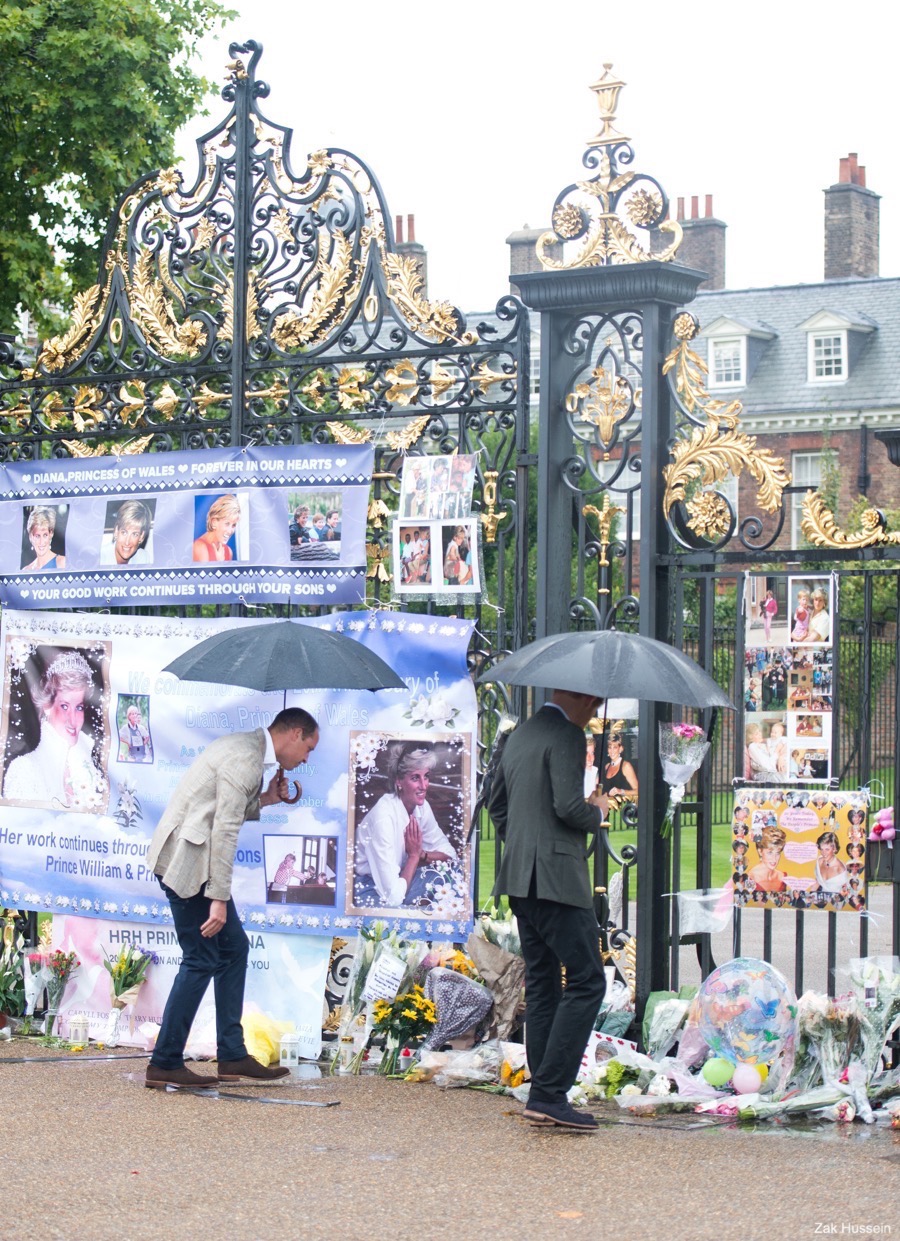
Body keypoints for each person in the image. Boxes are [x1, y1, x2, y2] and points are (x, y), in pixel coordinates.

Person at [144, 707, 319, 1089]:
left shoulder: (249, 751)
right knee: (201, 957)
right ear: (293, 733)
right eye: (308, 747)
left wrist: (269, 798)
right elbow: (224, 830)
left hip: (193, 859)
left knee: (234, 947)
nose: (306, 758)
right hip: (187, 866)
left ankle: (232, 1055)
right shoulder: (246, 758)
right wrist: (218, 898)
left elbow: (226, 806)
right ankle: (165, 1062)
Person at [488, 689, 607, 1131]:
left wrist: (524, 841)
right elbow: (568, 807)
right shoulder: (567, 735)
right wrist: (597, 811)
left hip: (519, 877)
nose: (594, 713)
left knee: (543, 982)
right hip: (556, 879)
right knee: (588, 979)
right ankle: (550, 1093)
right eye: (593, 705)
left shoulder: (520, 735)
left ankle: (542, 1088)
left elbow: (497, 806)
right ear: (577, 696)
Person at [353, 742, 457, 909]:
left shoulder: (422, 807)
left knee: (451, 875)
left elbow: (451, 857)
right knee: (401, 913)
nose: (423, 786)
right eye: (415, 778)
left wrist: (421, 854)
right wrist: (414, 857)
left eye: (426, 776)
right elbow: (393, 897)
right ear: (399, 781)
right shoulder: (384, 817)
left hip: (399, 880)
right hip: (366, 886)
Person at [3, 651, 107, 811]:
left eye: (79, 707)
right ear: (47, 707)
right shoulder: (23, 769)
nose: (73, 720)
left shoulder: (87, 769)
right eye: (64, 706)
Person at [100, 499, 152, 566]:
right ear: (116, 531)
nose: (127, 542)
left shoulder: (144, 558)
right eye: (124, 533)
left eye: (134, 534)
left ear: (141, 537)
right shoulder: (100, 558)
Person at [193, 494, 240, 562]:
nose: (230, 531)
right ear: (214, 522)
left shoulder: (228, 551)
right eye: (227, 524)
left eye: (233, 525)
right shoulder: (199, 548)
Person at [22, 506, 66, 571]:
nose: (41, 542)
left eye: (45, 535)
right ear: (31, 537)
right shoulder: (26, 570)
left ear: (51, 534)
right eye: (37, 536)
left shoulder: (62, 562)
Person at [748, 824, 788, 893]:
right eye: (770, 853)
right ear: (760, 851)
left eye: (778, 853)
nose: (774, 859)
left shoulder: (782, 877)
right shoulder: (750, 878)